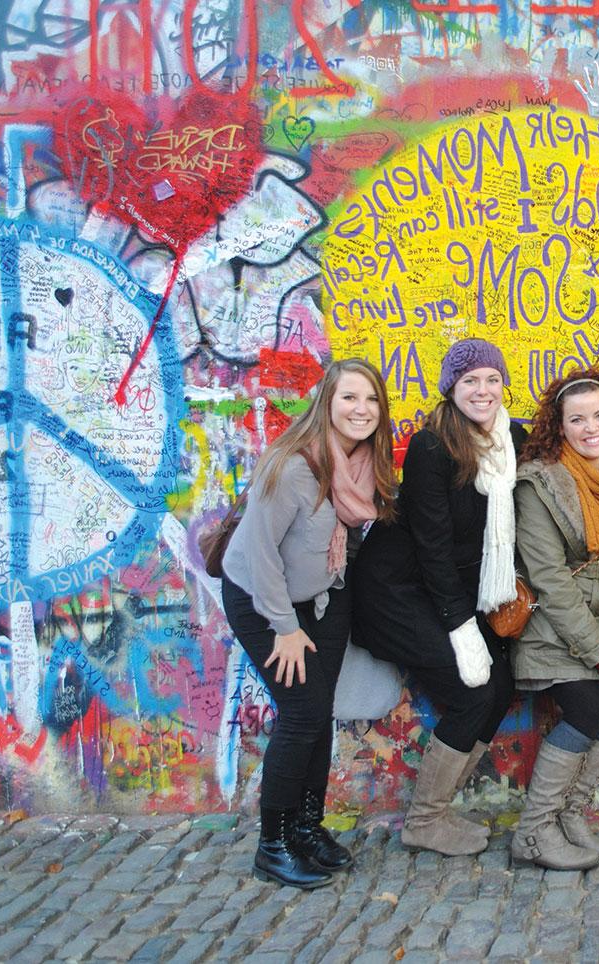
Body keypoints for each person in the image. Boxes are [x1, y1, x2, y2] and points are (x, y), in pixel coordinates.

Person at [221, 358, 397, 888]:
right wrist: (284, 627)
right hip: (262, 599)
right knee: (302, 712)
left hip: (322, 594)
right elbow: (258, 553)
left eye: (370, 399)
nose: (361, 409)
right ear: (327, 403)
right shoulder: (293, 465)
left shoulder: (363, 463)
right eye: (349, 398)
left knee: (320, 711)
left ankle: (306, 827)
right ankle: (272, 845)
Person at [350, 339, 524, 856]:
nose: (483, 390)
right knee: (473, 690)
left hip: (450, 589)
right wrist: (461, 627)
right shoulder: (433, 448)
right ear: (451, 389)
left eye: (492, 379)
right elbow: (432, 545)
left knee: (502, 683)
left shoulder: (513, 440)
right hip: (396, 592)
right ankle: (425, 820)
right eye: (470, 381)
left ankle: (438, 810)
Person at [509, 369, 599, 870]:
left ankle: (572, 816)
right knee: (587, 709)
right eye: (577, 419)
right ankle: (533, 833)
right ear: (561, 426)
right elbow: (549, 579)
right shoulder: (538, 484)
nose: (591, 427)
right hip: (552, 629)